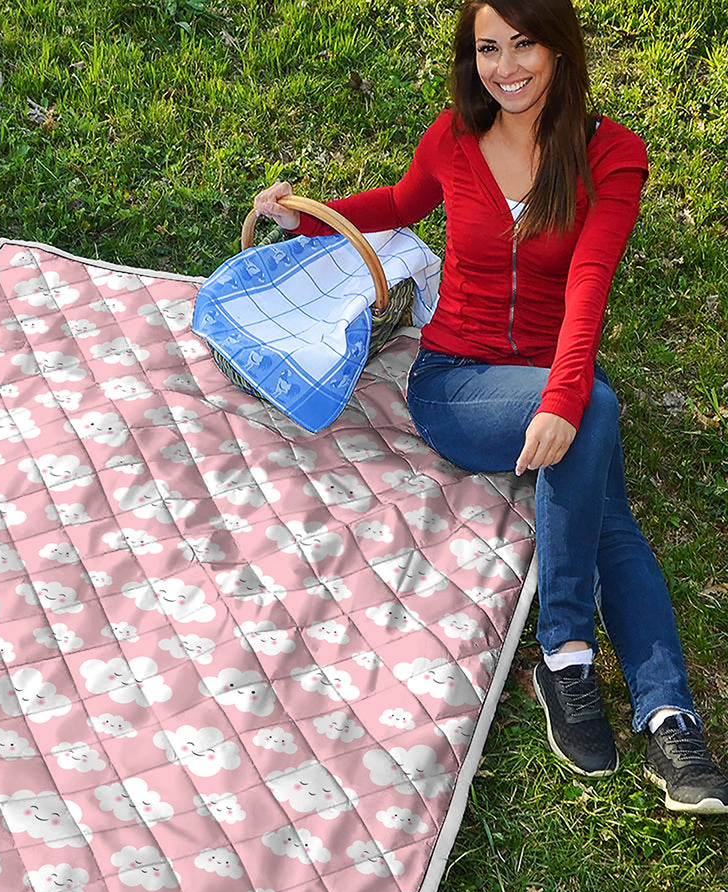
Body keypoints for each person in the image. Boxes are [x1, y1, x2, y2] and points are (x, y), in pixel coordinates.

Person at [253, 0, 728, 814]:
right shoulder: (454, 137)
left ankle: (662, 713)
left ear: (559, 48)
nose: (505, 67)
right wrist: (308, 221)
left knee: (602, 476)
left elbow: (589, 284)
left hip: (547, 375)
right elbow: (401, 204)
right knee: (598, 419)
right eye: (487, 48)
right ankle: (573, 655)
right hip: (454, 383)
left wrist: (564, 396)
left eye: (524, 44)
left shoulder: (611, 156)